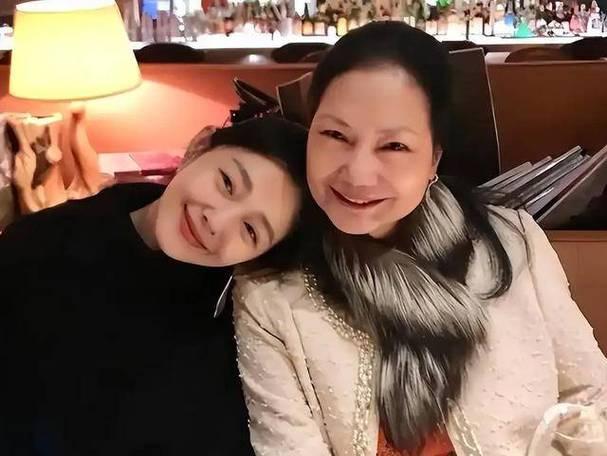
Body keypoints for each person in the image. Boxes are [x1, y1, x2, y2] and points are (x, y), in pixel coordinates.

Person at [233, 22, 607, 456]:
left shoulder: (511, 241)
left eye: (394, 146)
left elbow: (593, 396)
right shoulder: (270, 292)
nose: (358, 173)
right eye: (335, 135)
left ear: (434, 159)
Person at [0, 116, 309, 456]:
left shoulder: (239, 338)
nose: (216, 220)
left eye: (250, 230)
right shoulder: (38, 245)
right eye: (227, 183)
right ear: (199, 147)